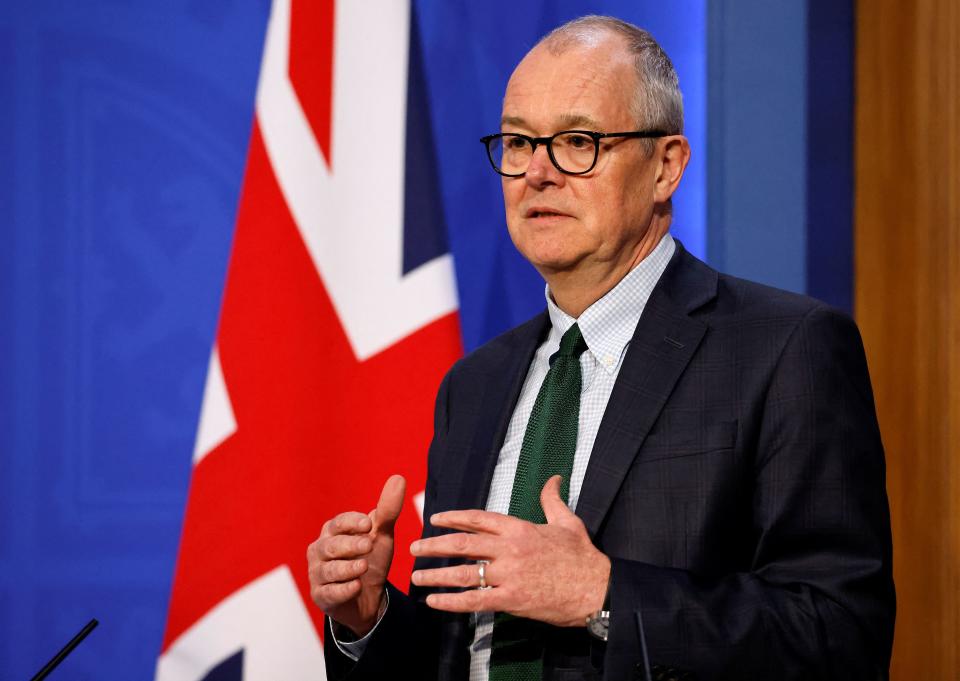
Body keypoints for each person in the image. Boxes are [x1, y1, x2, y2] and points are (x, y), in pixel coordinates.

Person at [306, 15, 894, 681]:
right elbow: (458, 653)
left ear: (665, 166)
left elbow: (841, 636)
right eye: (520, 142)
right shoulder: (473, 384)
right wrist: (369, 618)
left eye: (578, 141)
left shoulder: (787, 349)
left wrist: (603, 595)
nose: (538, 172)